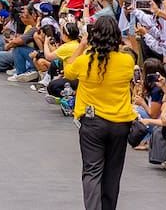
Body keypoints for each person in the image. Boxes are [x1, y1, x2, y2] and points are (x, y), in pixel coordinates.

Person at [63, 15, 137, 210]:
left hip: (92, 121)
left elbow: (68, 71)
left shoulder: (85, 60)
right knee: (113, 173)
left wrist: (82, 45)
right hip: (120, 123)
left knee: (92, 171)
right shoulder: (126, 61)